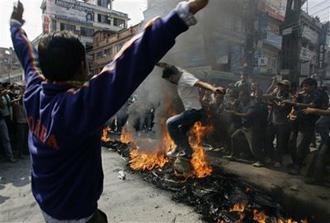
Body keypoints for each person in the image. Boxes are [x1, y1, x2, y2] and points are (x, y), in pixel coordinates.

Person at [10, 0, 209, 222]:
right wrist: (180, 16)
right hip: (74, 213)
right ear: (82, 67)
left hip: (47, 201)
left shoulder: (33, 93)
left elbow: (26, 56)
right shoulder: (76, 108)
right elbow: (126, 66)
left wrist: (15, 25)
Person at [158, 63, 225, 159]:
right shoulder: (178, 71)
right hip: (194, 111)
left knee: (170, 123)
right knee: (181, 131)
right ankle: (187, 152)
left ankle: (181, 148)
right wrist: (155, 62)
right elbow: (168, 66)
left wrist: (213, 89)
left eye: (171, 79)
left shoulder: (186, 78)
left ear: (173, 76)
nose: (171, 82)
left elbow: (200, 83)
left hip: (193, 112)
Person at [287, 78, 323, 175]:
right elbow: (295, 106)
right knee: (291, 143)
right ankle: (296, 163)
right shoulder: (303, 94)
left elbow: (312, 106)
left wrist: (297, 103)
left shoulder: (317, 95)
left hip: (308, 124)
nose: (304, 88)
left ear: (313, 86)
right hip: (298, 122)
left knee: (301, 146)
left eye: (306, 86)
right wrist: (296, 100)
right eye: (303, 86)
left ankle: (297, 166)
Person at [266, 80, 292, 168]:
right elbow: (267, 96)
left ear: (287, 88)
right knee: (268, 140)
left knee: (280, 143)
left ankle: (277, 160)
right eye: (279, 85)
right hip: (272, 121)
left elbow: (281, 108)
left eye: (283, 86)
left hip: (282, 123)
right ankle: (270, 157)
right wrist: (272, 98)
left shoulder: (289, 97)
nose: (280, 87)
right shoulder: (276, 92)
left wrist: (272, 101)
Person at [303, 107, 330, 185]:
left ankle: (317, 179)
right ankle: (316, 177)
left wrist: (314, 110)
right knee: (320, 155)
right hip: (326, 137)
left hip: (327, 138)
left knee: (322, 155)